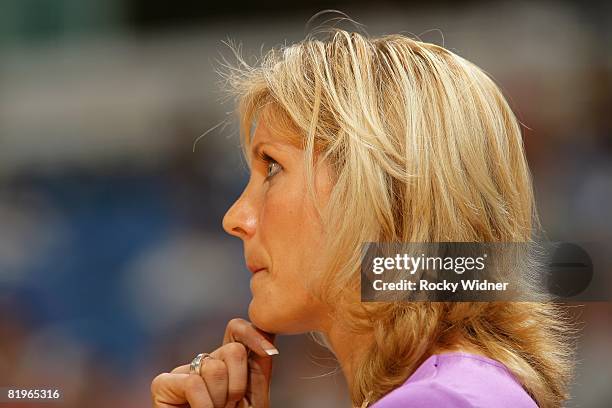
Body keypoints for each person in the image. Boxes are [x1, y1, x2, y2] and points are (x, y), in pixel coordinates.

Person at [151, 28, 574, 408]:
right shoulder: (469, 388)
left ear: (376, 187)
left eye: (273, 167)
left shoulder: (438, 400)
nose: (234, 217)